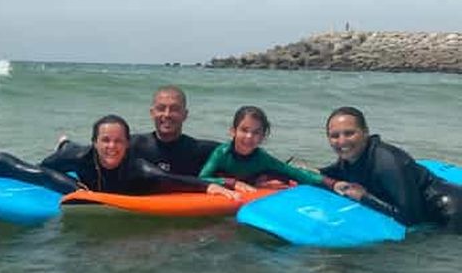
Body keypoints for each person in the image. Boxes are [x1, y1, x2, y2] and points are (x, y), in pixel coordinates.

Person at [321, 106, 462, 231]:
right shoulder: (351, 159)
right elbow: (324, 174)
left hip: (451, 210)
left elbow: (411, 218)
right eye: (334, 136)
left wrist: (364, 197)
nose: (342, 141)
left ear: (365, 133)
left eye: (349, 133)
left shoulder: (387, 164)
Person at [41, 114, 238, 197]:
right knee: (67, 148)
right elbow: (43, 168)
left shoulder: (138, 168)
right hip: (72, 151)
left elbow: (171, 179)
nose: (112, 146)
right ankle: (64, 142)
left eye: (119, 141)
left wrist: (211, 186)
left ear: (128, 144)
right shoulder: (77, 157)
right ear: (94, 142)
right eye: (106, 140)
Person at [198, 105, 337, 192]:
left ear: (262, 137)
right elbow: (202, 178)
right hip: (237, 181)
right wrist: (232, 183)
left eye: (256, 132)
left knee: (288, 176)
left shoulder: (262, 158)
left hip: (259, 178)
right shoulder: (222, 153)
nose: (249, 136)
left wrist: (331, 183)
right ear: (233, 131)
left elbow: (294, 172)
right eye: (244, 130)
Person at [130, 85, 220, 175]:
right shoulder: (133, 146)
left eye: (174, 109)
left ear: (185, 114)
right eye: (161, 108)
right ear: (152, 113)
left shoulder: (202, 151)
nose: (167, 114)